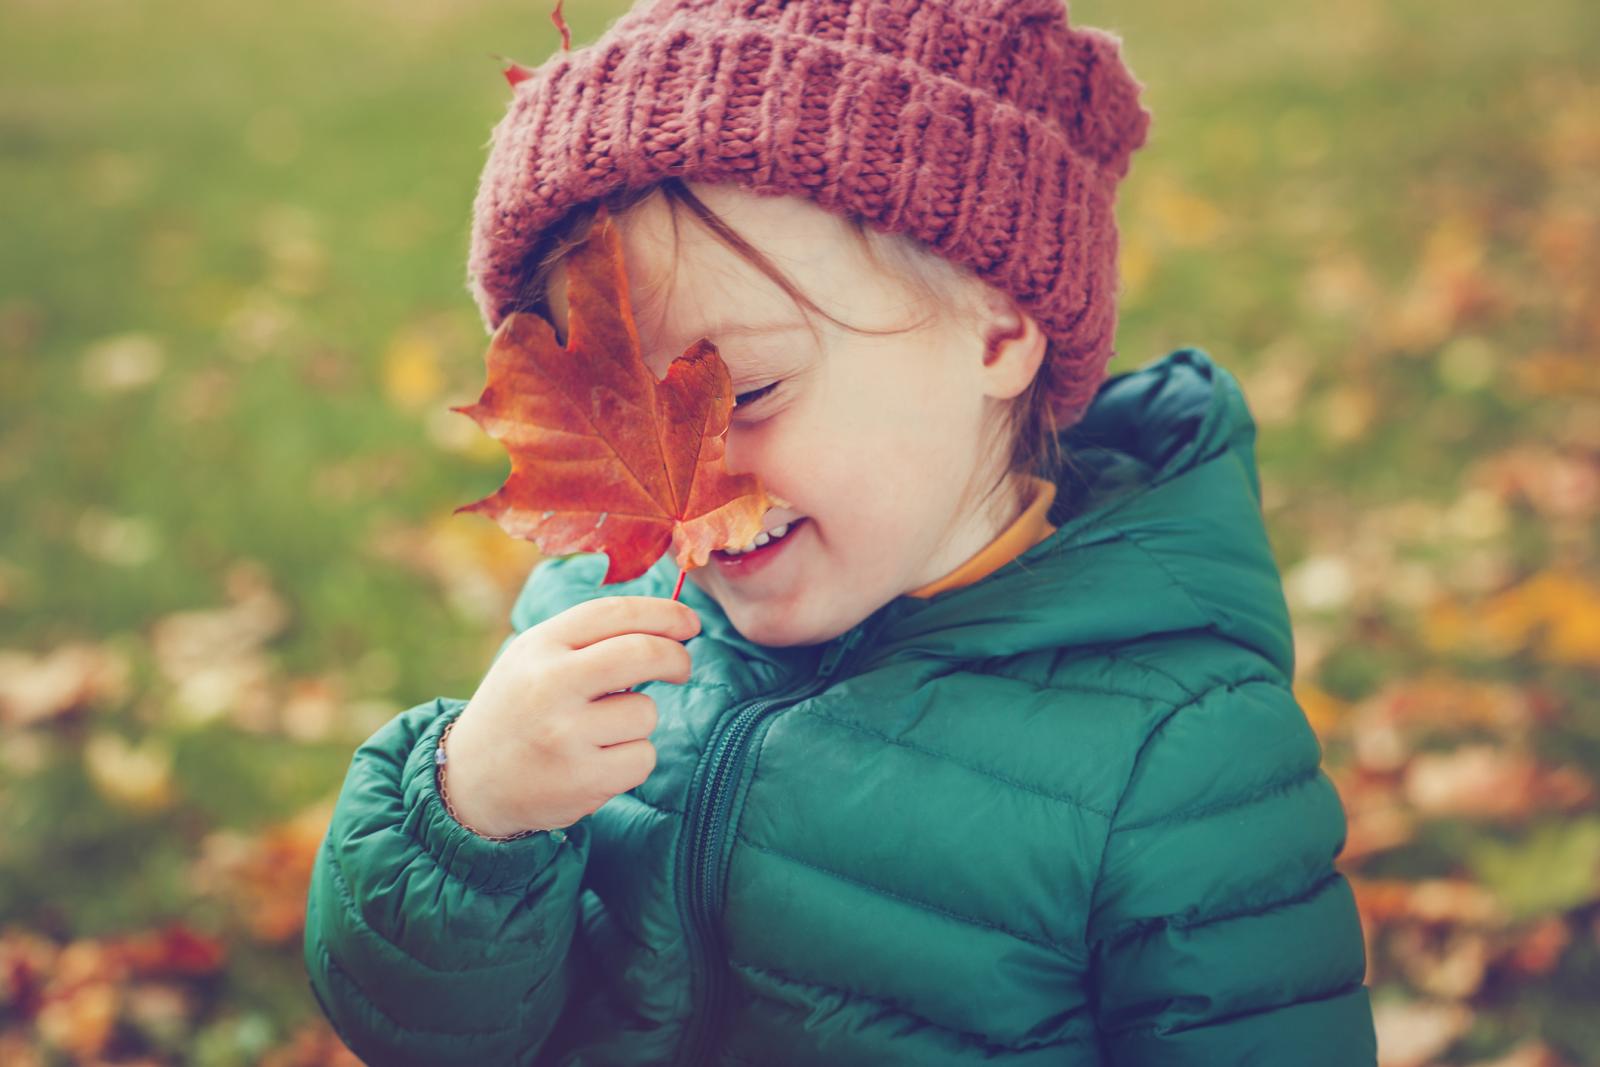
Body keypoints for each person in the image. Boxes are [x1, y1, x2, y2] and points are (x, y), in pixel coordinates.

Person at [304, 1, 1378, 1064]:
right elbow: (434, 1034)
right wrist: (471, 818)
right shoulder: (598, 625)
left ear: (998, 328)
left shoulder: (1174, 749)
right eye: (625, 413)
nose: (693, 478)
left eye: (752, 389)